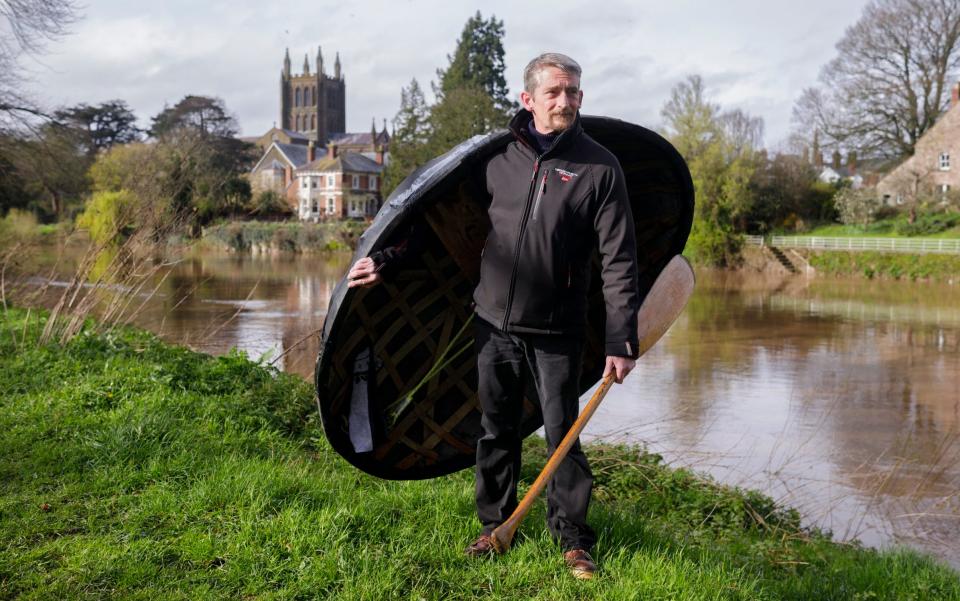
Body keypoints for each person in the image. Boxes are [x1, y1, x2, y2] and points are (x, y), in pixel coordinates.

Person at [347, 52, 640, 580]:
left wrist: (622, 338)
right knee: (496, 427)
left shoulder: (600, 167)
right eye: (554, 92)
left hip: (558, 329)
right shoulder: (495, 158)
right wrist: (385, 260)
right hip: (493, 321)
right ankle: (494, 525)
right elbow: (436, 216)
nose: (566, 101)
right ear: (528, 99)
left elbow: (620, 259)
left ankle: (573, 540)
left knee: (562, 433)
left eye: (573, 92)